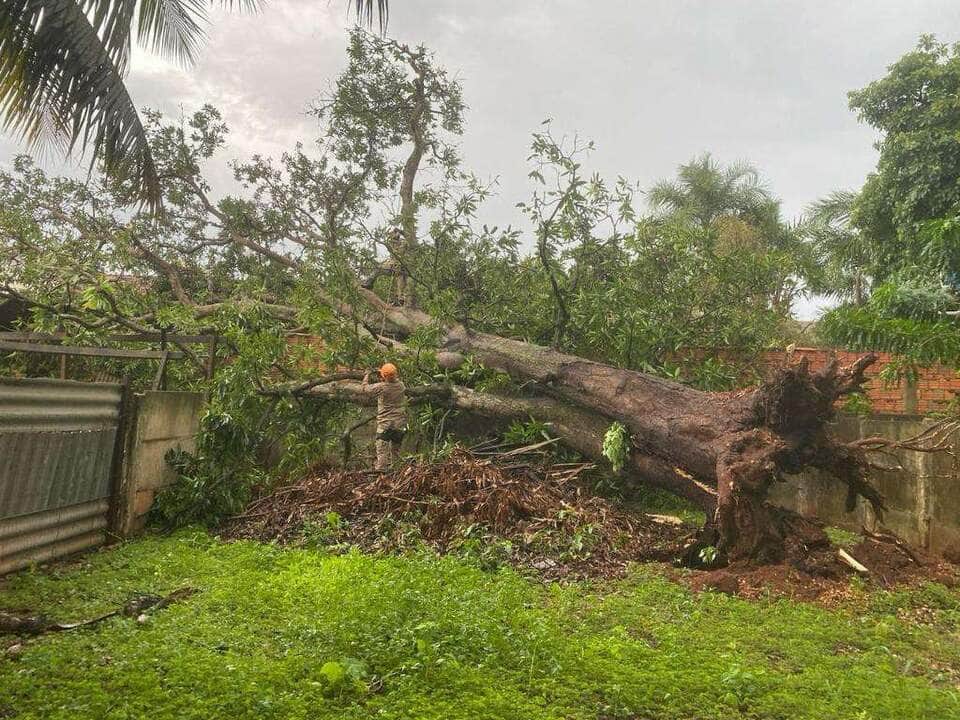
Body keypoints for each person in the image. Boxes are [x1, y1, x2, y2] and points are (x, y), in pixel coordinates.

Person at [361, 362, 408, 470]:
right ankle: (397, 474)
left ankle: (381, 475)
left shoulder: (381, 387)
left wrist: (367, 375)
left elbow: (364, 389)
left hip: (385, 426)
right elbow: (391, 379)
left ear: (384, 376)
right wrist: (382, 373)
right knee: (396, 454)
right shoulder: (401, 386)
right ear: (396, 374)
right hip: (399, 425)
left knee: (382, 453)